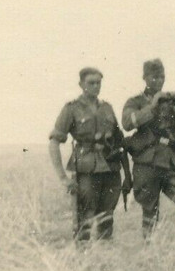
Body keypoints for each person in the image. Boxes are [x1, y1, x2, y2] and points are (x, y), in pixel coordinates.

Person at [48, 67, 132, 243]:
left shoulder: (107, 108)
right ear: (81, 84)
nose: (95, 86)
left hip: (110, 168)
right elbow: (54, 141)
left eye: (98, 83)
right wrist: (63, 177)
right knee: (85, 217)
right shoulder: (72, 109)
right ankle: (83, 259)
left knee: (107, 216)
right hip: (86, 170)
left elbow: (119, 142)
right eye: (90, 83)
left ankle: (105, 256)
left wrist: (127, 175)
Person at [122, 58, 175, 238]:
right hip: (146, 164)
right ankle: (150, 250)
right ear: (145, 78)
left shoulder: (172, 102)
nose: (159, 81)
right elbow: (127, 123)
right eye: (154, 77)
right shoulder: (135, 102)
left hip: (172, 163)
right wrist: (152, 106)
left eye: (161, 77)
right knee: (150, 213)